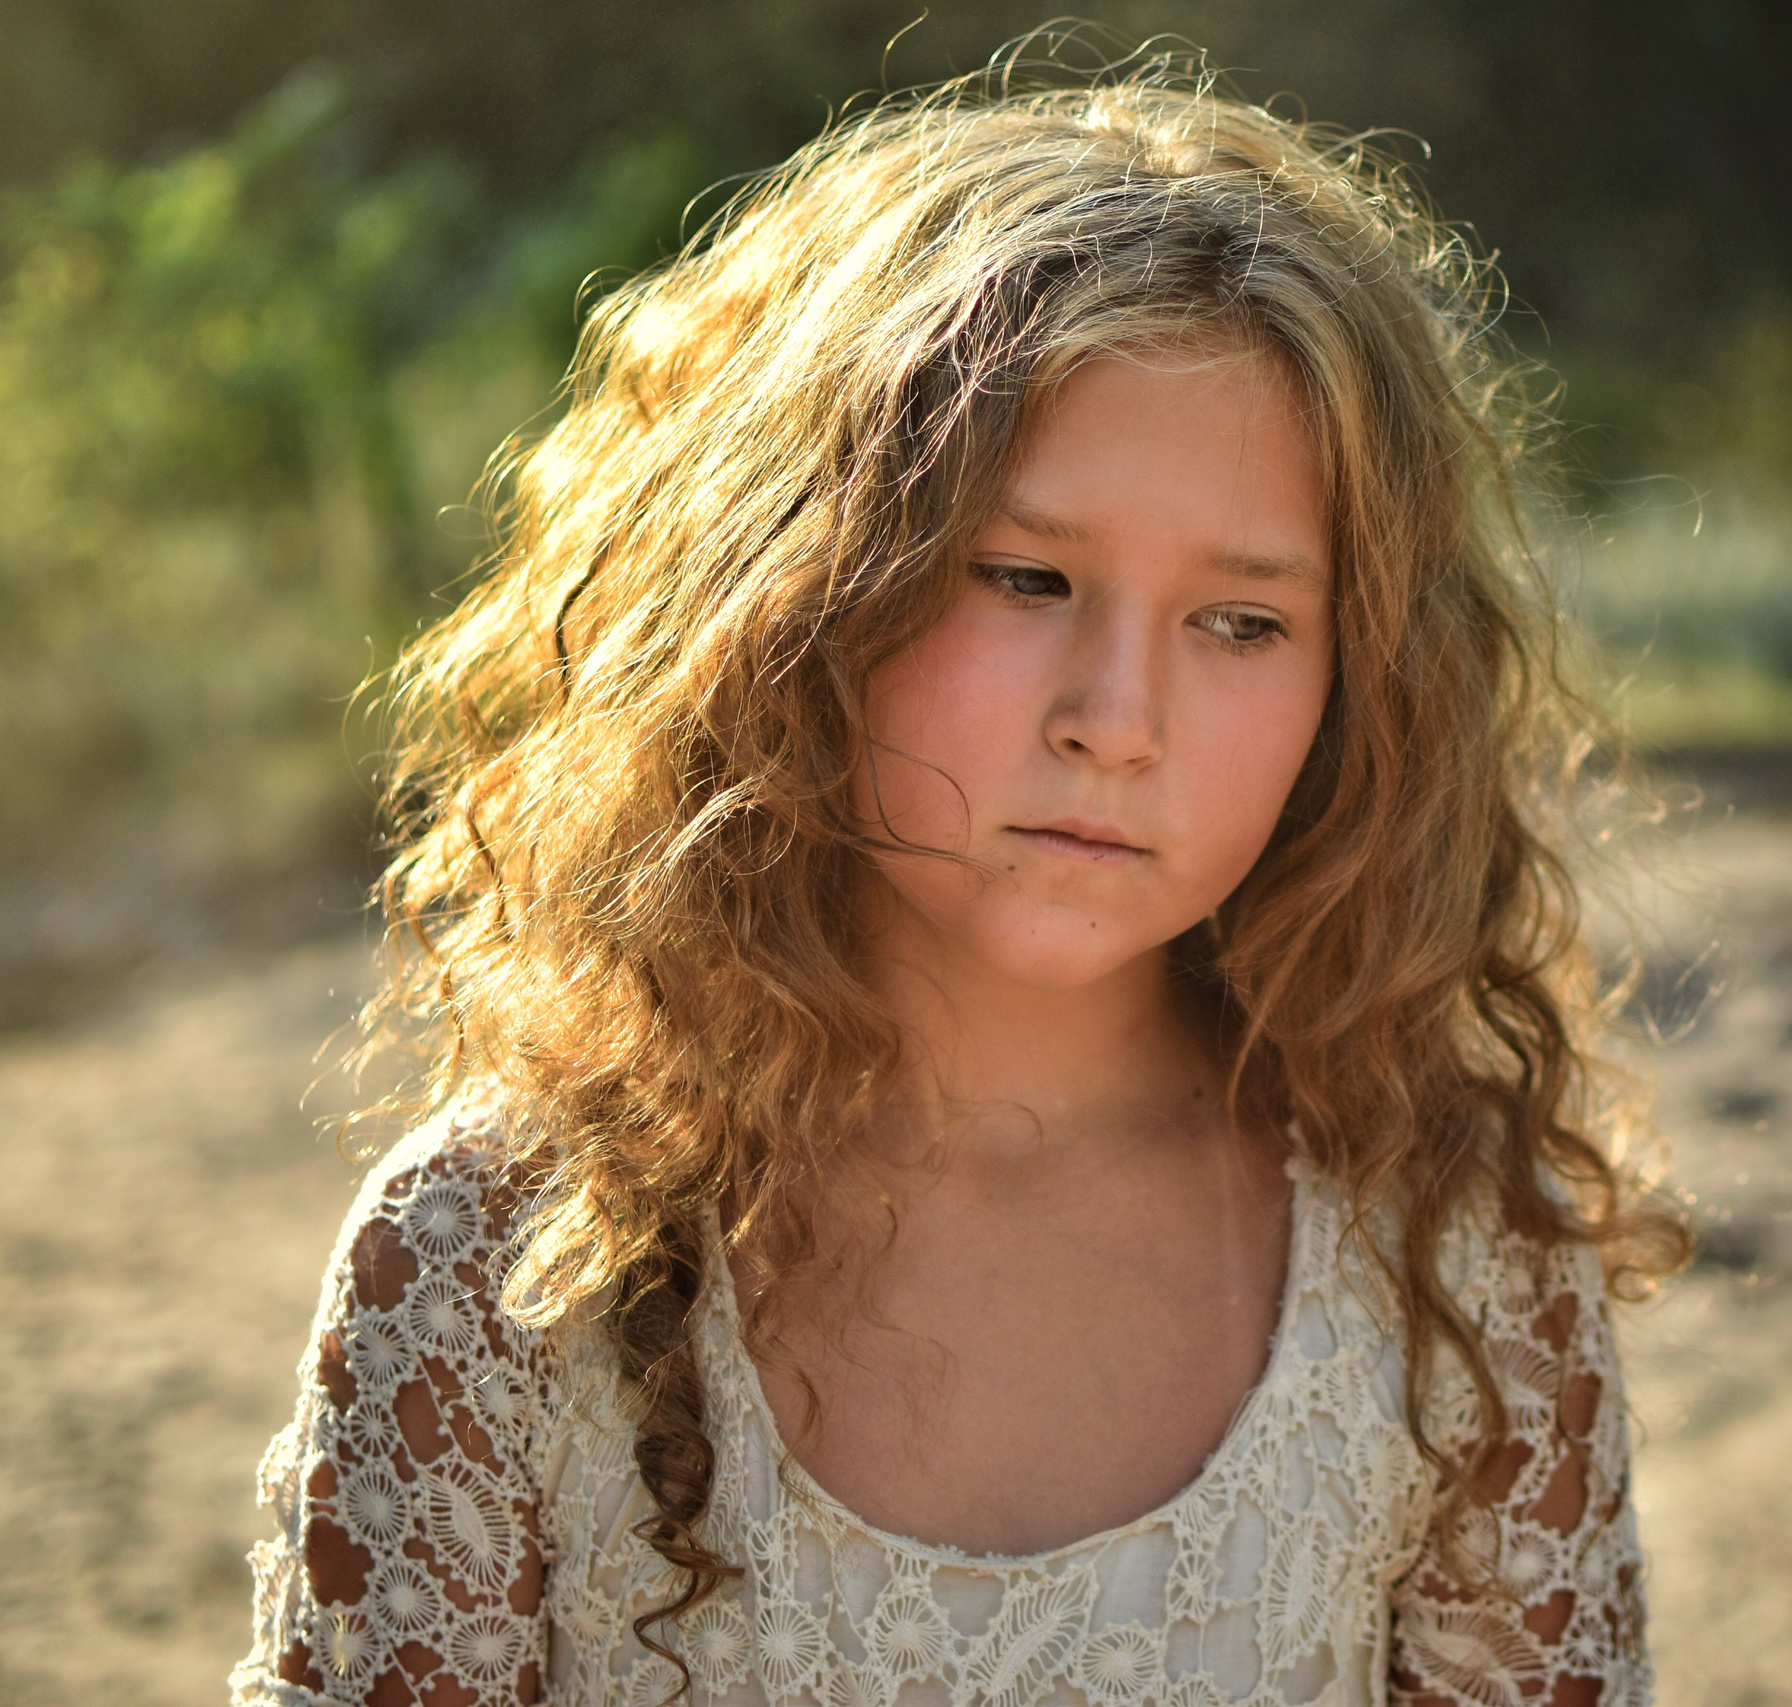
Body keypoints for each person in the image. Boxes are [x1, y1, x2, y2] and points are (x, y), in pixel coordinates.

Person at [232, 52, 1687, 1707]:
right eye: (1022, 575)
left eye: (1242, 622)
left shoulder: (1456, 1260)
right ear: (797, 594)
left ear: (1361, 686)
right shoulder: (499, 1261)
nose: (1115, 723)